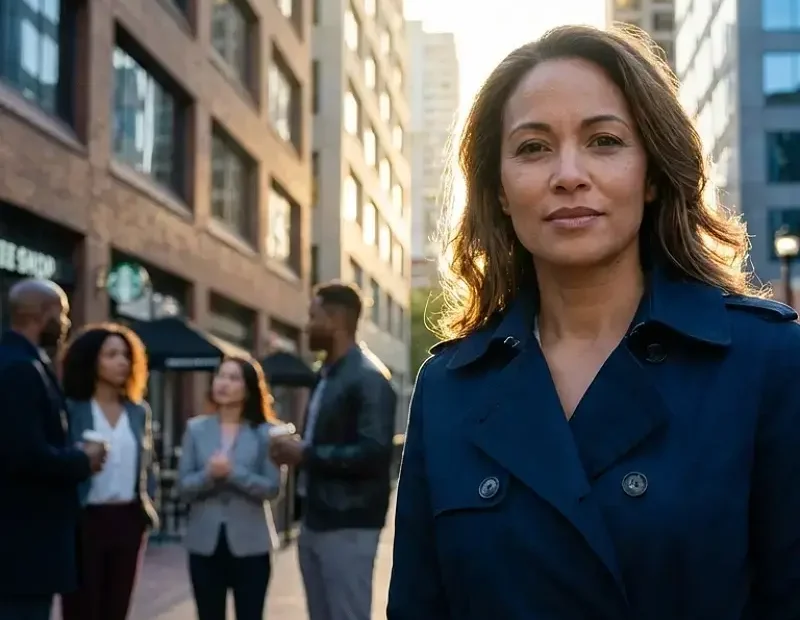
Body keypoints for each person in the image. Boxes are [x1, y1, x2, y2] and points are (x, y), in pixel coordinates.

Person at [387, 24, 800, 620]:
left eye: (604, 141)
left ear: (652, 174)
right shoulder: (449, 388)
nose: (569, 173)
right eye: (533, 147)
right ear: (499, 190)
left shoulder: (767, 361)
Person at [270, 282, 397, 620]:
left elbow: (374, 452)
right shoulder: (327, 374)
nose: (307, 325)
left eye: (313, 317)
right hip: (315, 520)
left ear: (336, 319)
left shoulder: (369, 378)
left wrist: (305, 453)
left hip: (348, 524)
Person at [0, 279, 106, 620]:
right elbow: (24, 455)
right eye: (62, 314)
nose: (66, 325)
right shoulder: (20, 369)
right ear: (41, 315)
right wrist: (82, 459)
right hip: (22, 549)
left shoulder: (23, 361)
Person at [59, 323, 159, 620]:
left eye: (126, 355)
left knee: (117, 609)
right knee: (81, 609)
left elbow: (148, 466)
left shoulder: (138, 411)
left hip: (128, 519)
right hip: (84, 519)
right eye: (111, 354)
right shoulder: (71, 408)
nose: (122, 362)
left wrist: (147, 506)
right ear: (91, 360)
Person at [178, 356, 282, 620]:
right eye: (220, 376)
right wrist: (209, 475)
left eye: (233, 378)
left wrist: (234, 473)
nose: (223, 383)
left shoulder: (267, 432)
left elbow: (272, 488)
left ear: (248, 388)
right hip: (204, 544)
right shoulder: (196, 429)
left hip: (252, 546)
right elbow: (183, 487)